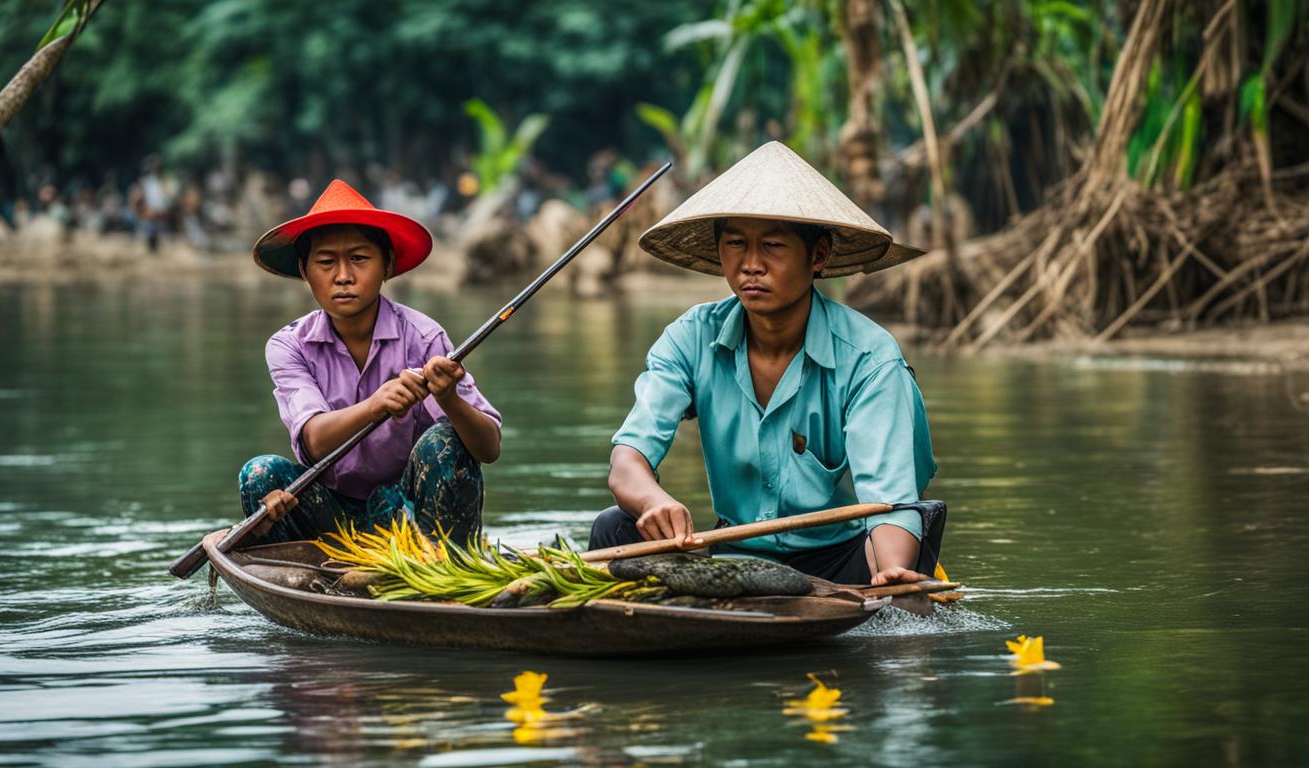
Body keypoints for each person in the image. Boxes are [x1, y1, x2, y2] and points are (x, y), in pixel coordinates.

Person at [588, 142, 940, 586]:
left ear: (818, 256)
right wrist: (654, 501)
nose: (751, 264)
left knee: (900, 585)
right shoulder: (691, 338)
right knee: (613, 528)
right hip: (736, 553)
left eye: (773, 245)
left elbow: (889, 501)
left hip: (845, 554)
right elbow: (628, 459)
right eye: (736, 244)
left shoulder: (869, 359)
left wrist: (891, 572)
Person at [239, 180, 502, 546]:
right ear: (305, 270)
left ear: (387, 266)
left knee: (445, 439)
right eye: (326, 262)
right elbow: (313, 441)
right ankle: (318, 568)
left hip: (408, 514)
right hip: (331, 517)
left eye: (359, 259)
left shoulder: (424, 337)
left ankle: (441, 562)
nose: (343, 276)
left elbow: (488, 448)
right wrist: (376, 404)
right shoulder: (289, 346)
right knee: (261, 474)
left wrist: (450, 400)